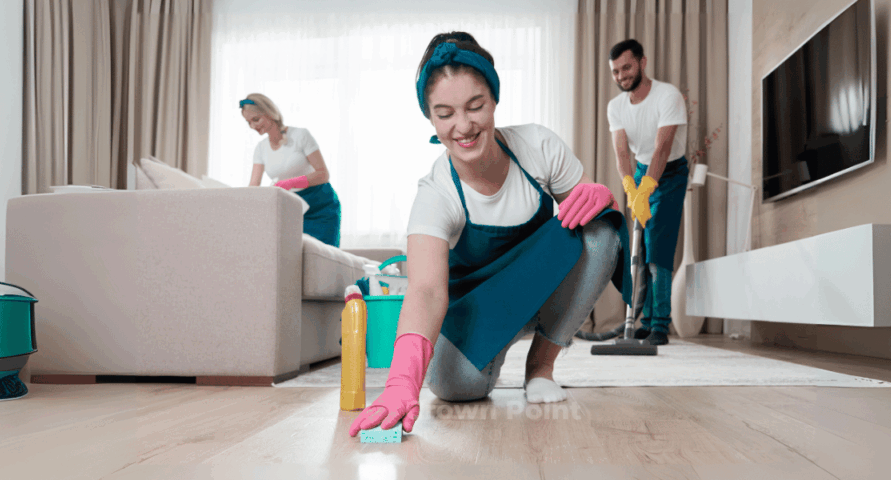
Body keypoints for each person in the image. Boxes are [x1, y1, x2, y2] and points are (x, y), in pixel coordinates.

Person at [348, 32, 634, 438]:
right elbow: (426, 291)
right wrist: (401, 383)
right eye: (445, 113)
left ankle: (541, 366)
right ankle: (492, 352)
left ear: (494, 99)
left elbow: (594, 220)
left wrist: (604, 198)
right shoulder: (435, 193)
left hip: (543, 289)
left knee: (603, 232)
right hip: (479, 309)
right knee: (454, 386)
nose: (463, 126)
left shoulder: (537, 146)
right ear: (430, 117)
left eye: (475, 106)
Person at [607, 39, 689, 346]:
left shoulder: (668, 96)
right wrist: (631, 187)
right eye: (615, 71)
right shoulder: (615, 107)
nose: (621, 76)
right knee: (640, 249)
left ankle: (660, 325)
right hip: (640, 172)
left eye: (626, 67)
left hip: (670, 173)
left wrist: (648, 189)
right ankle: (645, 319)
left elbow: (662, 148)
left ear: (643, 62)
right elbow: (621, 153)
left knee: (658, 248)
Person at [240, 93, 342, 247]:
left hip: (321, 207)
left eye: (256, 119)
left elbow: (323, 174)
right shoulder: (261, 149)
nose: (253, 126)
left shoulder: (301, 135)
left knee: (324, 260)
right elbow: (253, 185)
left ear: (270, 113)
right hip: (294, 210)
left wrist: (290, 183)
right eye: (249, 122)